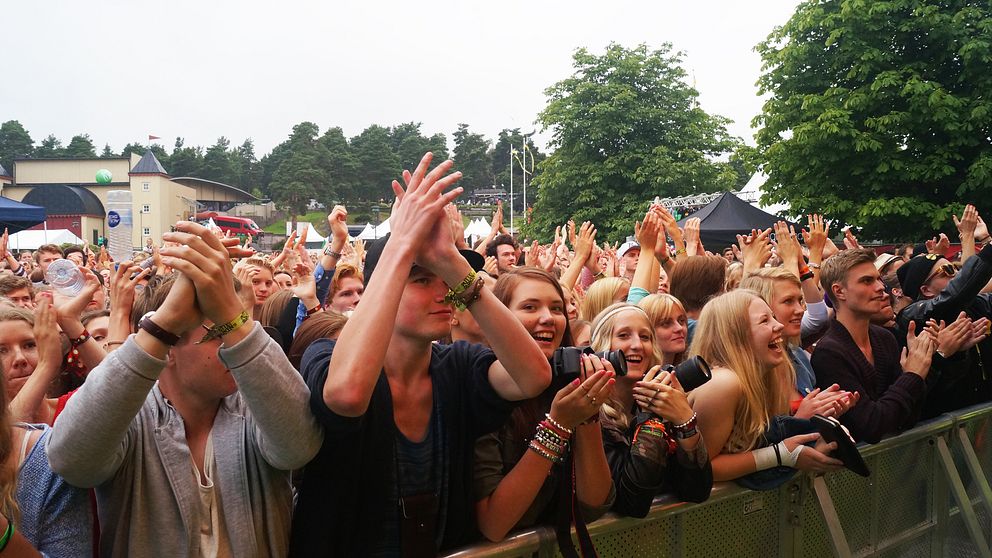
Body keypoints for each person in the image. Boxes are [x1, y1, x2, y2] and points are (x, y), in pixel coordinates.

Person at [291, 153, 551, 556]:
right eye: (421, 278)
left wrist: (449, 259)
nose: (442, 290)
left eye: (442, 279)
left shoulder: (457, 366)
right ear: (386, 285)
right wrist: (401, 243)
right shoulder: (326, 351)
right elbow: (347, 396)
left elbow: (533, 377)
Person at [47, 221, 323, 556]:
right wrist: (166, 320)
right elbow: (71, 460)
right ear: (169, 347)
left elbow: (298, 447)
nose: (234, 348)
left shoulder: (256, 402)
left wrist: (232, 316)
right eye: (218, 333)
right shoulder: (130, 415)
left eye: (235, 329)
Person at [474, 268, 615, 541]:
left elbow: (594, 504)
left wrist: (587, 412)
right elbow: (494, 524)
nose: (548, 318)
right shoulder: (482, 388)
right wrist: (558, 427)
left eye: (557, 308)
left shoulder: (564, 386)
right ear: (499, 318)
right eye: (530, 307)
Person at [688, 290, 843, 482]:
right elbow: (703, 469)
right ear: (735, 334)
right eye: (764, 321)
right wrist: (781, 456)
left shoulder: (762, 376)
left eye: (774, 317)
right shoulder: (723, 384)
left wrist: (815, 446)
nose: (778, 325)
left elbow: (758, 450)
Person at [589, 303, 712, 517]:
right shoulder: (591, 414)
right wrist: (652, 417)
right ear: (601, 345)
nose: (637, 345)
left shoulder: (665, 404)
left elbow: (697, 491)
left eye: (645, 337)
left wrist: (685, 420)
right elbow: (631, 503)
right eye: (624, 335)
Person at [811, 248, 936, 443]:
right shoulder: (829, 353)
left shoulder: (884, 338)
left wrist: (928, 361)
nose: (880, 287)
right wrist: (912, 375)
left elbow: (910, 416)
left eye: (879, 279)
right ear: (839, 291)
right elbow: (870, 426)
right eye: (867, 281)